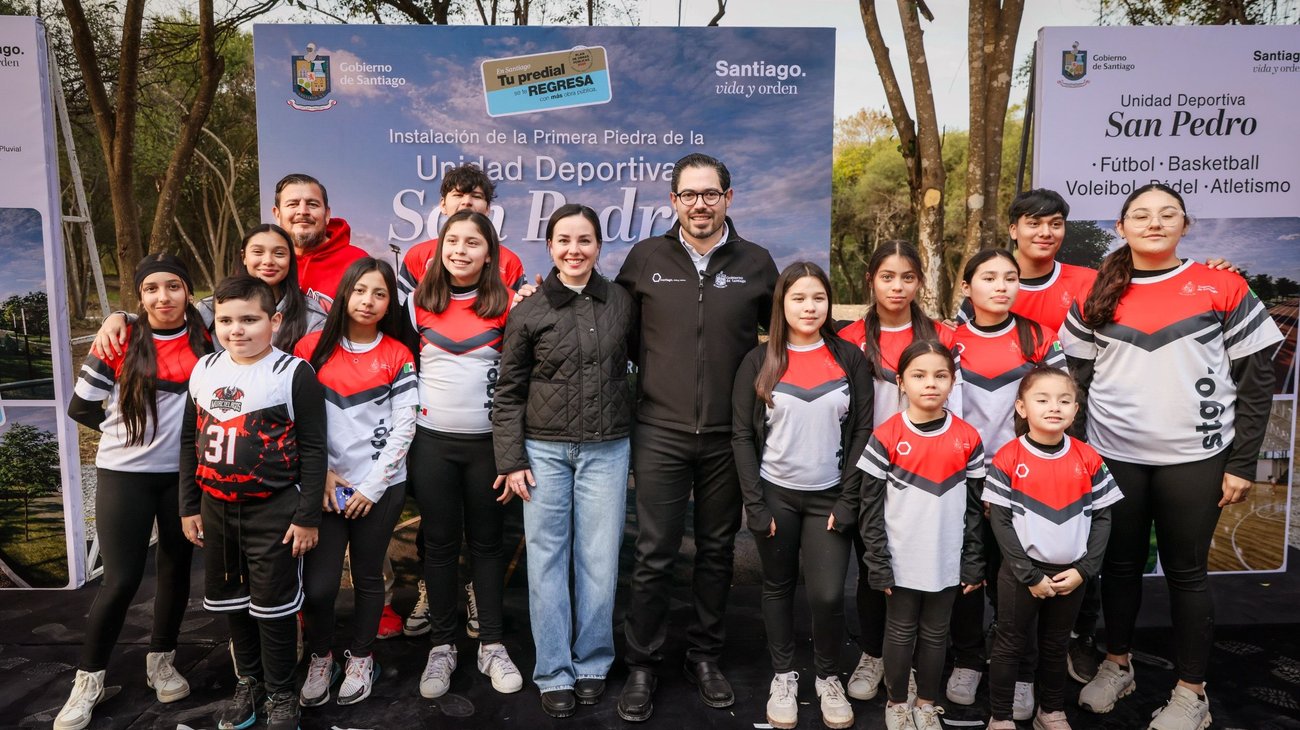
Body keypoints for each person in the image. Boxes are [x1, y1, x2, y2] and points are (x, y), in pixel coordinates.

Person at [1062, 183, 1281, 729]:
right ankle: (1118, 664)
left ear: (1186, 224)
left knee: (1186, 575)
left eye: (1168, 214)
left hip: (1197, 458)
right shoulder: (1094, 294)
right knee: (1118, 567)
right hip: (1116, 459)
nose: (1154, 222)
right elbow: (1079, 383)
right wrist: (1086, 456)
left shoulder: (1222, 285)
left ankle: (1191, 693)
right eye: (1140, 214)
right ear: (1121, 227)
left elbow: (1257, 381)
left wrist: (1240, 462)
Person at [614, 152, 778, 722]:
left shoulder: (756, 263)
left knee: (715, 552)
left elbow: (785, 337)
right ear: (673, 200)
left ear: (729, 198)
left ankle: (704, 656)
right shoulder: (644, 259)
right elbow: (622, 339)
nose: (700, 204)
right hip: (659, 428)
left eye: (711, 194)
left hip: (729, 438)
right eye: (689, 194)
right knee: (654, 553)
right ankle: (642, 663)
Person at [492, 205, 636, 718]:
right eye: (563, 240)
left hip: (608, 449)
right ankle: (553, 668)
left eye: (585, 240)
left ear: (599, 245)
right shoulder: (528, 310)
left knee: (599, 560)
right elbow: (507, 393)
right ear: (549, 246)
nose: (574, 250)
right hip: (542, 453)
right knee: (547, 561)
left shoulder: (622, 301)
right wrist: (510, 459)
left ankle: (593, 661)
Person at [55, 254, 211, 730]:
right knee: (120, 580)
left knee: (176, 570)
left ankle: (161, 661)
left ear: (188, 292)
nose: (163, 297)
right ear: (139, 297)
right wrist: (124, 433)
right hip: (125, 475)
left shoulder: (209, 335)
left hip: (185, 477)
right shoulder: (121, 338)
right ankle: (89, 681)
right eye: (151, 290)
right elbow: (80, 407)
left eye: (173, 287)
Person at [179, 275, 327, 730]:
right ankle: (251, 682)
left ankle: (282, 693)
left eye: (249, 319)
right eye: (225, 320)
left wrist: (307, 517)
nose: (236, 330)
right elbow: (189, 440)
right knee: (233, 605)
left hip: (274, 511)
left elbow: (315, 448)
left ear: (275, 320)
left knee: (274, 608)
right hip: (217, 511)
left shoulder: (292, 373)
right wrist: (189, 506)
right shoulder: (204, 368)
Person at [731, 262, 874, 730]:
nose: (809, 307)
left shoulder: (849, 358)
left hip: (828, 499)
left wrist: (847, 499)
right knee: (777, 587)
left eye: (818, 298)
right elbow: (741, 438)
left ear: (829, 303)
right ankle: (784, 675)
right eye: (798, 298)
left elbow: (862, 432)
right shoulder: (759, 361)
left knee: (830, 594)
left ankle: (828, 677)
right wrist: (755, 503)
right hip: (776, 496)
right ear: (782, 305)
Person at [398, 162, 526, 641]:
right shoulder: (414, 301)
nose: (460, 249)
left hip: (489, 443)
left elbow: (522, 377)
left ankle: (485, 622)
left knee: (488, 541)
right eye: (453, 241)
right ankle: (439, 617)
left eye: (473, 242)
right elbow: (400, 367)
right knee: (438, 539)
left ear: (491, 253)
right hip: (432, 443)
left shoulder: (512, 302)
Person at [835, 241, 962, 703]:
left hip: (929, 475)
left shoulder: (943, 336)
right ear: (871, 279)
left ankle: (919, 663)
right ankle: (874, 654)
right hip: (870, 469)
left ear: (919, 282)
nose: (897, 286)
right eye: (887, 276)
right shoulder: (848, 338)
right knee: (876, 567)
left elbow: (958, 408)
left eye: (907, 277)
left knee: (928, 569)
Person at [946, 248, 1067, 716]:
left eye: (1010, 278)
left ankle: (1020, 671)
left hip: (1023, 479)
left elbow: (1057, 407)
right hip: (964, 477)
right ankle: (969, 659)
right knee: (967, 575)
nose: (1001, 286)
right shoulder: (948, 338)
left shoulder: (1039, 335)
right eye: (989, 277)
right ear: (966, 287)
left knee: (1018, 577)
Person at [294, 258, 417, 707]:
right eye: (360, 290)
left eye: (380, 294)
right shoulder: (310, 349)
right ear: (345, 293)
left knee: (368, 577)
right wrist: (322, 475)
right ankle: (321, 655)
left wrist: (370, 488)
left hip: (379, 489)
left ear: (389, 304)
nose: (368, 301)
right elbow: (296, 421)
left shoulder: (398, 354)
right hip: (322, 485)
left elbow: (406, 427)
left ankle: (362, 656)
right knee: (321, 585)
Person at [983, 367, 1121, 730]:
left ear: (1076, 410)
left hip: (1071, 576)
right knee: (1010, 644)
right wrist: (1027, 574)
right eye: (1042, 399)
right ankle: (1000, 717)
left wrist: (1084, 571)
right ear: (1022, 407)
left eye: (1064, 400)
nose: (1054, 407)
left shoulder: (1089, 458)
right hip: (1020, 575)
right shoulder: (1008, 458)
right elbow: (999, 522)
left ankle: (1051, 711)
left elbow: (1104, 519)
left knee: (1056, 645)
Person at [858, 340, 985, 730]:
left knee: (935, 636)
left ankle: (926, 705)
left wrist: (973, 560)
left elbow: (976, 510)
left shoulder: (969, 438)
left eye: (940, 375)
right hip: (900, 561)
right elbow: (870, 508)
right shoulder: (886, 435)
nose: (930, 383)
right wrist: (877, 562)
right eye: (919, 375)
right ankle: (897, 705)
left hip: (946, 561)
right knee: (899, 632)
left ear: (952, 381)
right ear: (900, 382)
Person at [92, 225, 326, 358]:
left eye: (279, 253)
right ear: (244, 257)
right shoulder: (209, 308)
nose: (268, 261)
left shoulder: (311, 314)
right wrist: (120, 317)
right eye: (258, 252)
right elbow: (166, 322)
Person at [398, 162, 528, 302]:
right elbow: (400, 311)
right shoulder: (417, 255)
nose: (467, 202)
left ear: (488, 208)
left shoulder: (510, 261)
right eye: (458, 195)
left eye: (476, 196)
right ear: (443, 204)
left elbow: (520, 315)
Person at [272, 172, 368, 308]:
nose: (303, 211)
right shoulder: (265, 264)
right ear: (277, 214)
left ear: (327, 214)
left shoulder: (358, 262)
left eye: (312, 204)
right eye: (293, 204)